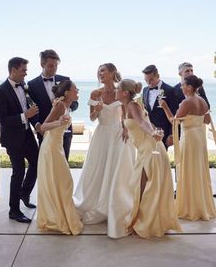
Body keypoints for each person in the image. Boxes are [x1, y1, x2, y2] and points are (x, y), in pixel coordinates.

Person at [74, 63, 136, 239]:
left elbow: (125, 114)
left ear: (112, 73)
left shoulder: (120, 90)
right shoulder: (95, 93)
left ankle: (114, 203)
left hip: (118, 134)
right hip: (101, 134)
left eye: (104, 71)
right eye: (99, 71)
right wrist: (97, 110)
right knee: (99, 168)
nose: (100, 74)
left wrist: (126, 128)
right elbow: (92, 118)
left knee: (116, 170)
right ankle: (97, 203)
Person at [115, 79, 181, 238]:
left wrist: (153, 133)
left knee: (144, 187)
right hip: (145, 150)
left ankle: (145, 223)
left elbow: (143, 122)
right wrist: (125, 129)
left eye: (118, 89)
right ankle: (143, 221)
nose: (115, 91)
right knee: (142, 187)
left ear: (125, 92)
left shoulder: (132, 105)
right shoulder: (125, 106)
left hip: (151, 150)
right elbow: (137, 123)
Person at [160, 75, 216, 221]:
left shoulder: (187, 102)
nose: (180, 87)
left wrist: (165, 107)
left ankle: (190, 207)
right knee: (199, 170)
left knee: (189, 170)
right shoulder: (202, 100)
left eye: (183, 85)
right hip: (200, 139)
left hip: (190, 139)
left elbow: (174, 121)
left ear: (189, 87)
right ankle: (201, 205)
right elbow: (207, 120)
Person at [0, 57, 39, 223]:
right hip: (12, 138)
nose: (26, 73)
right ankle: (14, 210)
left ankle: (24, 193)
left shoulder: (24, 87)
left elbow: (29, 108)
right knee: (18, 172)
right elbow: (4, 120)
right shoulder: (0, 92)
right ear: (13, 70)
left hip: (27, 134)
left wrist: (35, 120)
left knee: (37, 163)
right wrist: (25, 115)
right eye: (23, 70)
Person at [37, 80, 83, 235]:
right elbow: (43, 127)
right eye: (75, 89)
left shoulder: (65, 105)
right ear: (67, 93)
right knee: (63, 181)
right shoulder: (61, 106)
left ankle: (59, 214)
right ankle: (56, 218)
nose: (78, 91)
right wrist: (58, 122)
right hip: (51, 148)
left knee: (60, 182)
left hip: (57, 147)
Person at [28, 49, 78, 160]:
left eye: (56, 65)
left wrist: (66, 107)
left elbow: (75, 103)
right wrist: (37, 126)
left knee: (63, 163)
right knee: (47, 164)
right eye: (51, 66)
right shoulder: (32, 85)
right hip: (45, 131)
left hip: (64, 130)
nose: (54, 68)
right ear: (42, 64)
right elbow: (31, 109)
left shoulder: (65, 80)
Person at [142, 65, 178, 149]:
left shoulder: (170, 90)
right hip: (148, 131)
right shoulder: (145, 90)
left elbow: (174, 114)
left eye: (151, 79)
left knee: (160, 158)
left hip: (163, 133)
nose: (148, 82)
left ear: (157, 76)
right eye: (146, 80)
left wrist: (172, 134)